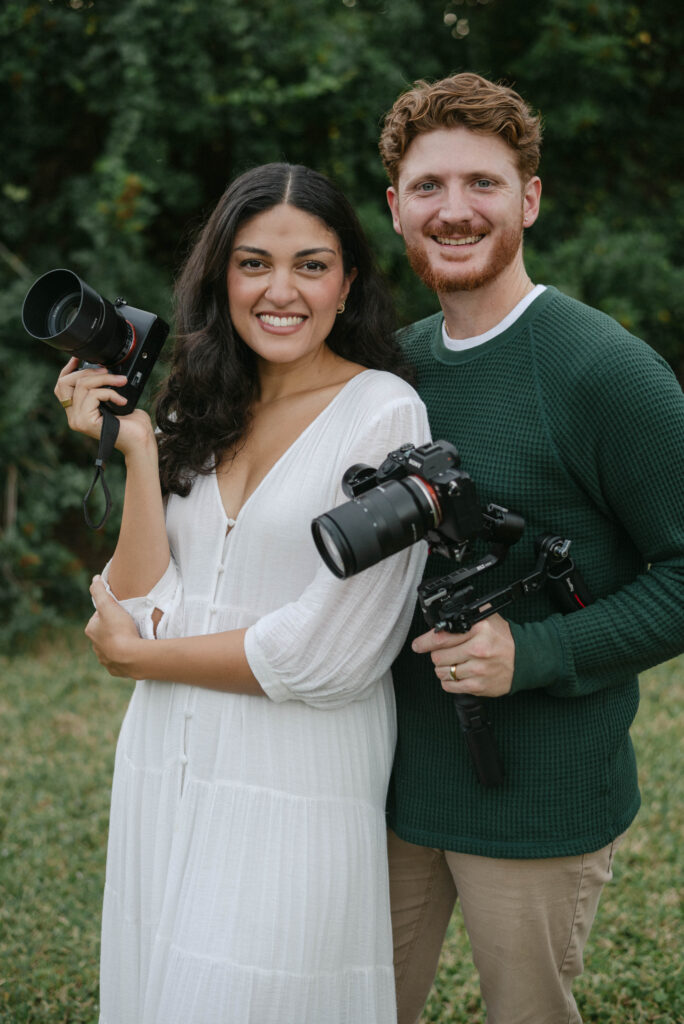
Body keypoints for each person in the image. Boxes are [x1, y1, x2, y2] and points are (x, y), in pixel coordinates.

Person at [54, 162, 431, 1024]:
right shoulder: (197, 408)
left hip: (296, 777)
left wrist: (143, 656)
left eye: (311, 264)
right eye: (254, 263)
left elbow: (330, 653)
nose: (281, 290)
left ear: (349, 282)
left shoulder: (384, 413)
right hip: (168, 761)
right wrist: (140, 451)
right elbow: (145, 603)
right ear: (221, 276)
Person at [377, 73, 684, 1024]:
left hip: (540, 799)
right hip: (382, 786)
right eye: (429, 187)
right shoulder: (390, 366)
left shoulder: (604, 368)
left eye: (484, 184)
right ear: (395, 209)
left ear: (531, 199)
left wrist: (537, 650)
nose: (455, 210)